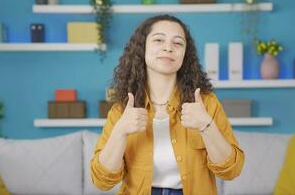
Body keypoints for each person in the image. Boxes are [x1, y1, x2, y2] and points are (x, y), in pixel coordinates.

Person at [90, 14, 245, 195]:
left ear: (185, 55)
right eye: (159, 40)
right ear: (142, 48)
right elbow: (102, 181)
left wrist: (206, 126)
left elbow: (232, 170)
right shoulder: (122, 109)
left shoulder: (206, 103)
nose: (168, 48)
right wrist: (120, 131)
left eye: (178, 43)